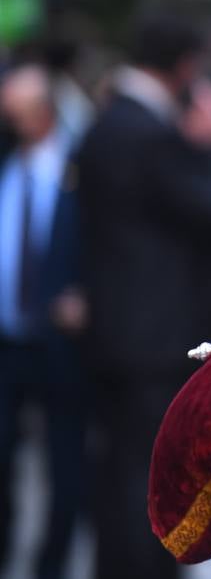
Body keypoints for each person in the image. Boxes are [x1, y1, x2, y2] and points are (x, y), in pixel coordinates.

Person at [77, 11, 211, 579]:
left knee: (119, 464)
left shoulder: (106, 124)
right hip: (155, 333)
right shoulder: (151, 133)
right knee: (147, 474)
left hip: (115, 328)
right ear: (186, 67)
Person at [0, 65, 86, 579]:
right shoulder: (8, 164)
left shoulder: (79, 168)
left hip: (60, 343)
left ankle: (50, 564)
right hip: (8, 341)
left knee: (65, 463)